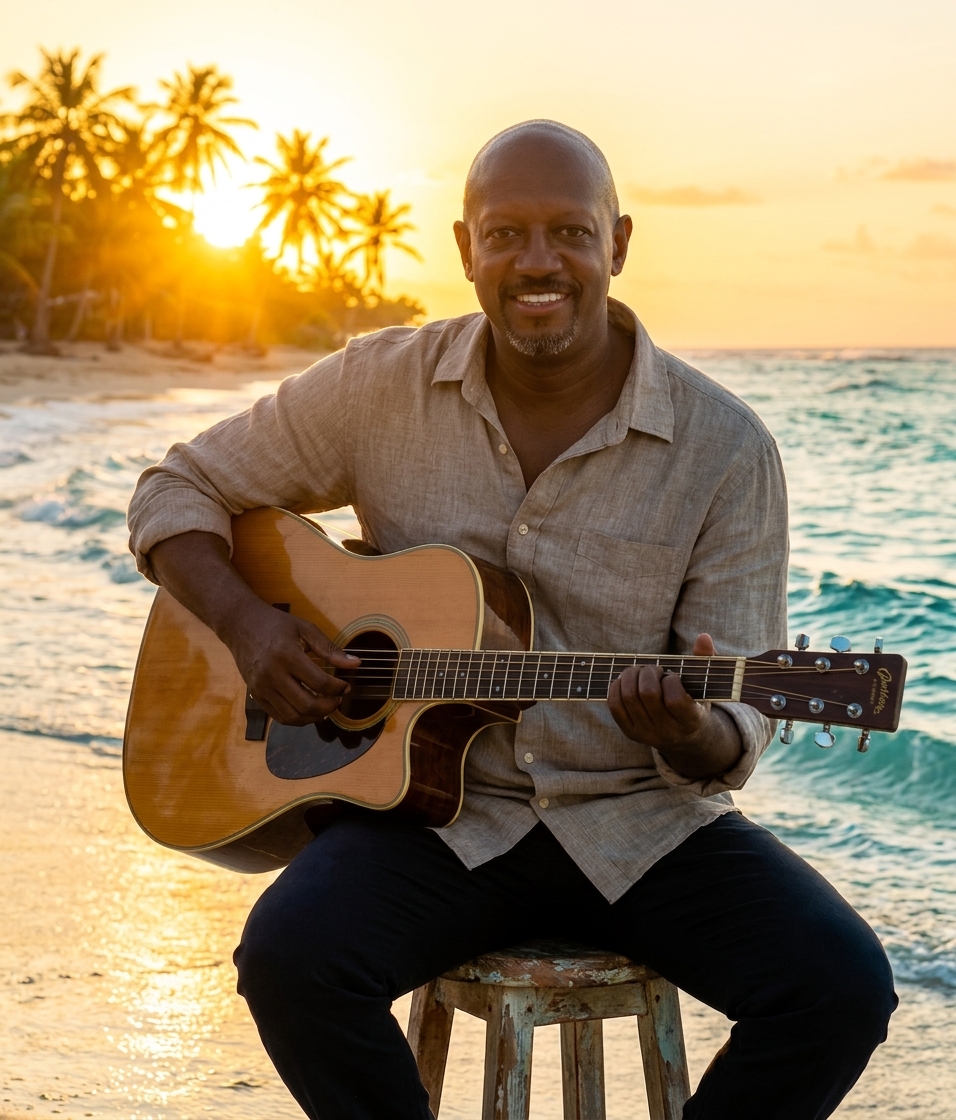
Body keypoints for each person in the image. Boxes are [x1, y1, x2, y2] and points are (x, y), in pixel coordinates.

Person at [127, 120, 896, 1120]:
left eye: (569, 234)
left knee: (838, 988)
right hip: (433, 822)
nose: (539, 263)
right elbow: (173, 489)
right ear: (464, 249)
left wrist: (691, 726)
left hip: (639, 822)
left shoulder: (725, 450)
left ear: (616, 243)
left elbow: (734, 734)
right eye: (508, 234)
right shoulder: (377, 386)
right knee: (287, 958)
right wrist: (252, 630)